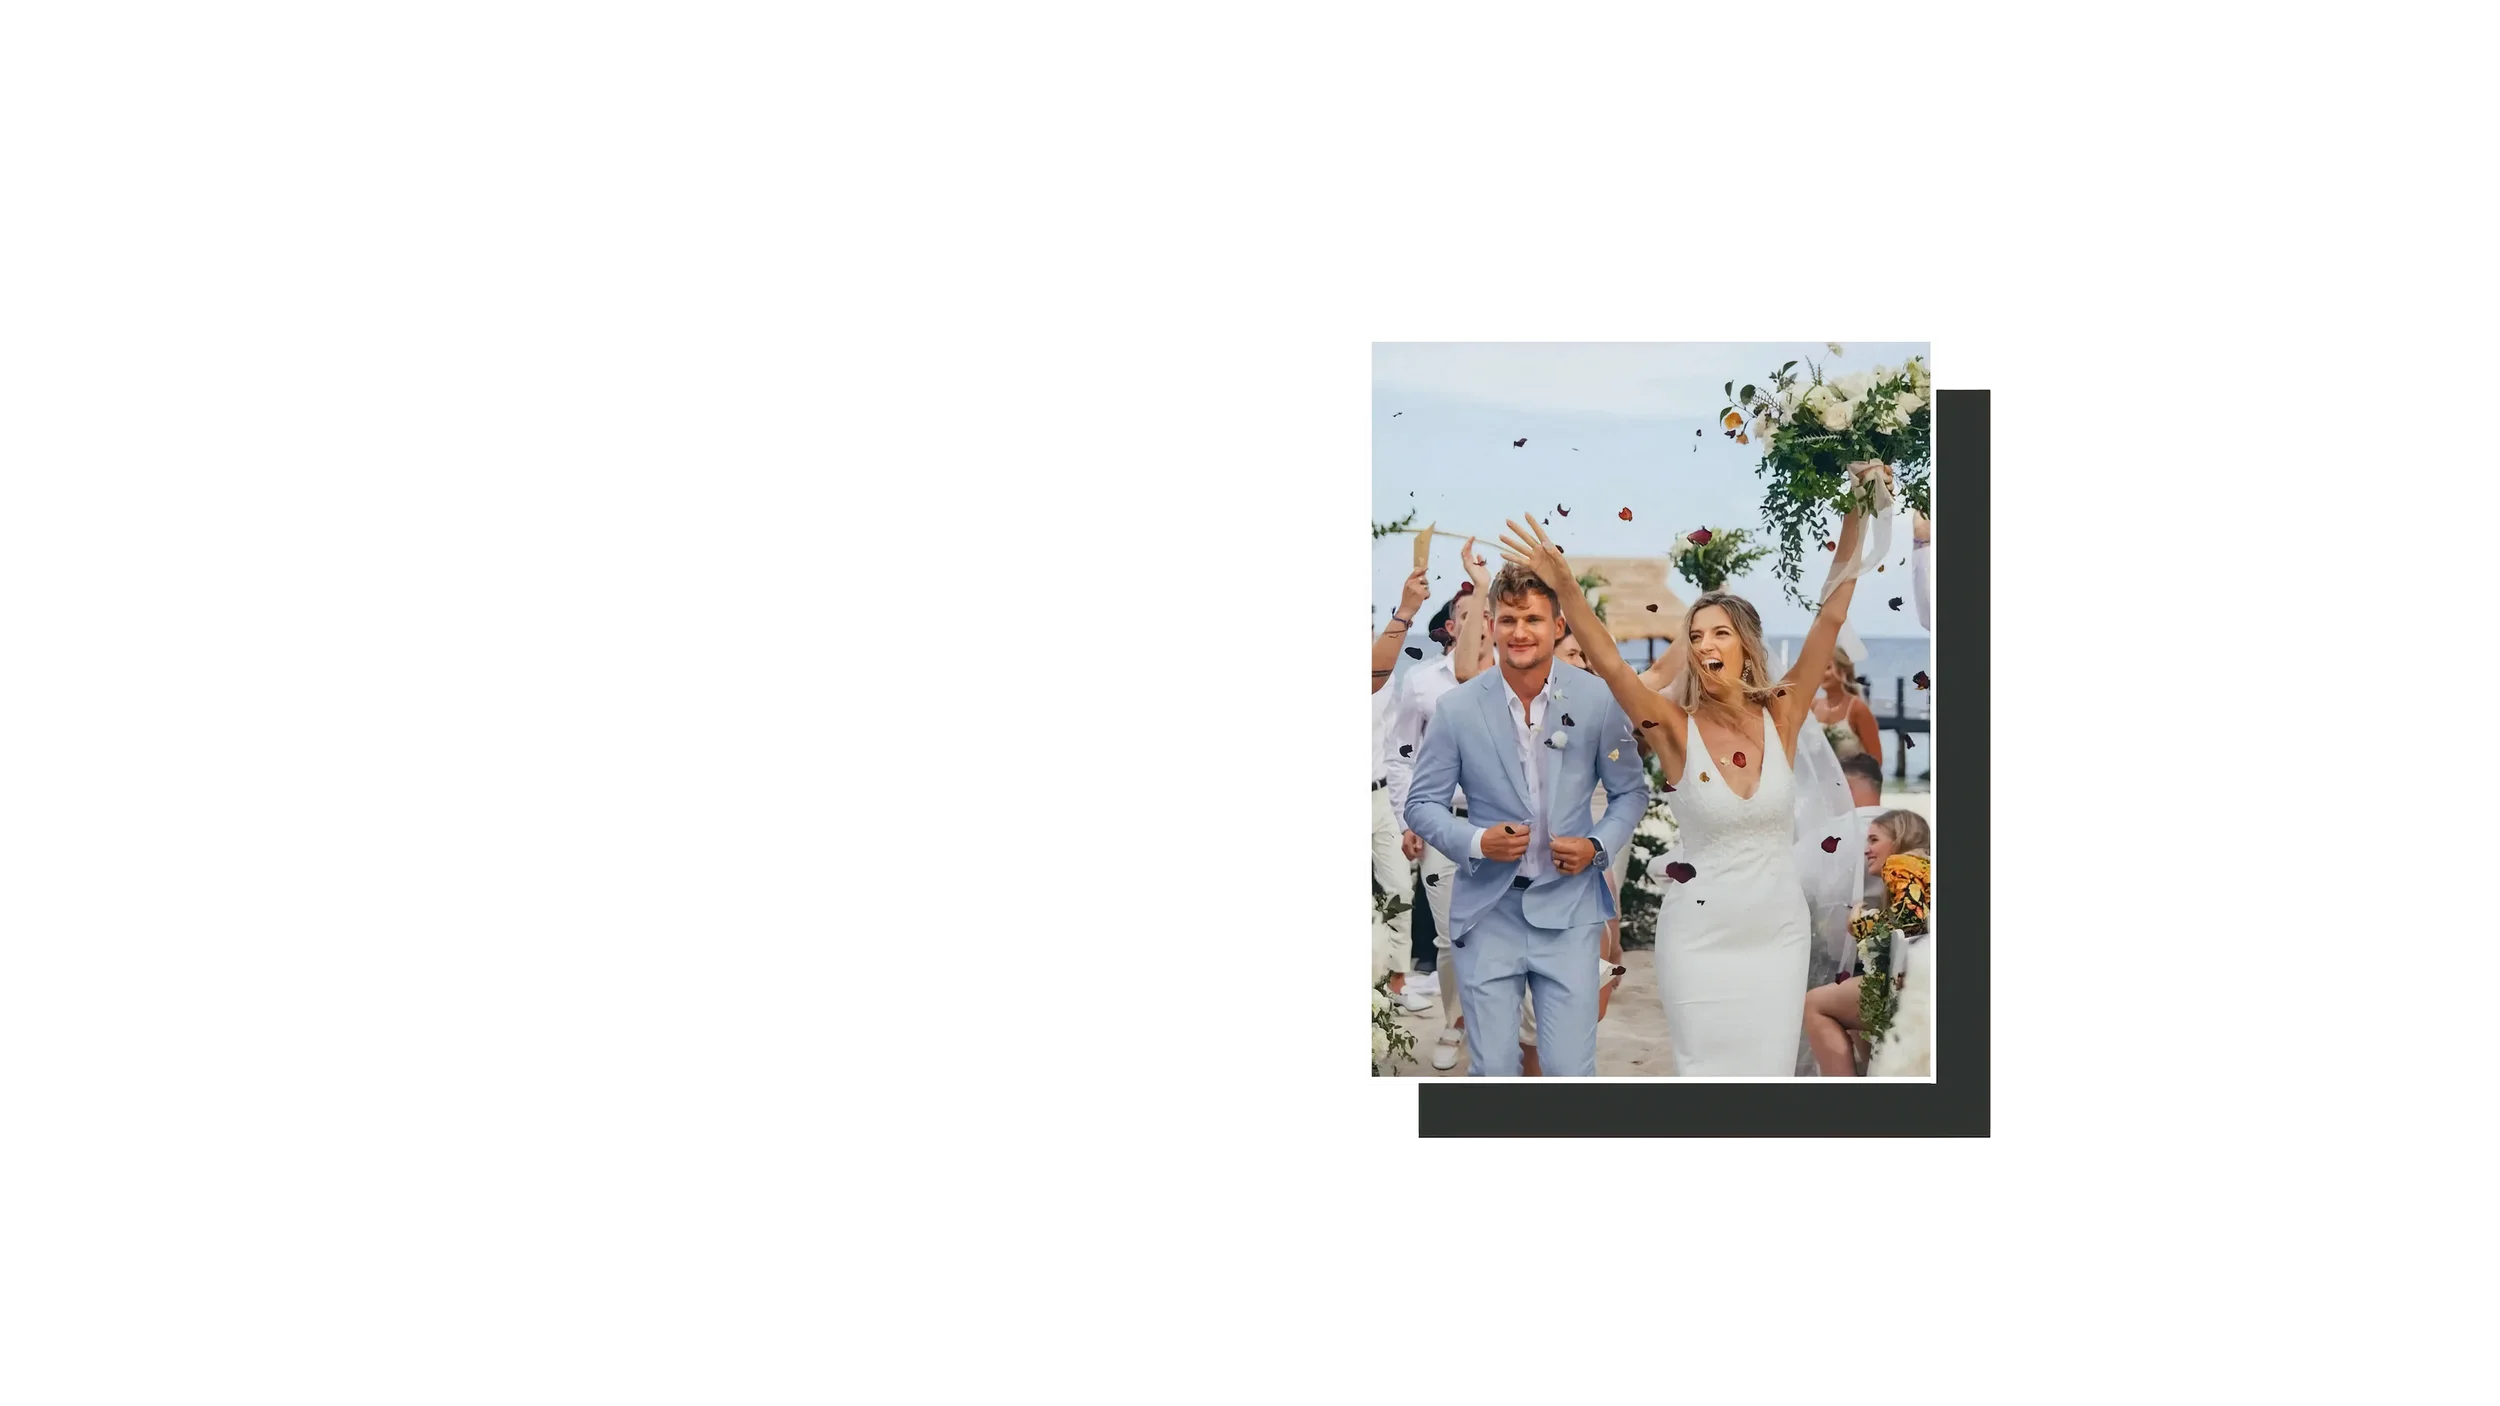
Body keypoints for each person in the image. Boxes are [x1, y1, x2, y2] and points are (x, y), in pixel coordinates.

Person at [1499, 461, 1892, 1076]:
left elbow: (1830, 616)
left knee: (1766, 1079)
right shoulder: (1672, 729)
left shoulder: (1783, 715)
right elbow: (1614, 668)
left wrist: (1856, 512)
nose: (1706, 645)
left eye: (1720, 633)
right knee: (1704, 1078)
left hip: (1777, 936)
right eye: (1696, 635)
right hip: (1699, 941)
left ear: (1746, 647)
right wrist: (1566, 589)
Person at [1402, 561, 1647, 1078]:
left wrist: (1596, 847)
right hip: (1488, 913)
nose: (1520, 632)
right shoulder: (1457, 708)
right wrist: (1476, 841)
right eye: (1509, 619)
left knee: (1570, 1072)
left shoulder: (1598, 699)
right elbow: (1421, 804)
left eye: (1533, 619)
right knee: (1493, 1071)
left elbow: (1630, 792)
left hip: (1571, 911)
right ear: (1491, 624)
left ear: (1557, 625)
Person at [1385, 541, 1494, 1065]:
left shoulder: (1516, 676)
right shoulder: (1422, 682)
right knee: (1452, 937)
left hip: (1507, 825)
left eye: (1487, 614)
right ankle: (1455, 1021)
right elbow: (1400, 754)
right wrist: (1410, 818)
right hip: (1443, 823)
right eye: (1467, 616)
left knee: (1503, 932)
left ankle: (1498, 1027)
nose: (1479, 624)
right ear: (1451, 627)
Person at [1802, 809, 1933, 1077]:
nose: (1866, 850)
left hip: (1913, 988)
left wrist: (1860, 924)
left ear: (1899, 839)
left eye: (1874, 840)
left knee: (1813, 1003)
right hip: (1922, 981)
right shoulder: (1926, 868)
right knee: (1849, 1011)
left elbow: (1910, 916)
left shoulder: (1901, 864)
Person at [1371, 565, 1435, 1012]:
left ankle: (1396, 985)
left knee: (1400, 891)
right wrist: (1407, 610)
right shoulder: (1378, 668)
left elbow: (1396, 742)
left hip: (1379, 797)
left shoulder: (1386, 668)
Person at [1809, 647, 1883, 765]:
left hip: (1850, 776)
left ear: (1843, 670)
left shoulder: (1858, 708)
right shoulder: (1813, 707)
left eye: (1827, 668)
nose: (1822, 673)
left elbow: (1876, 760)